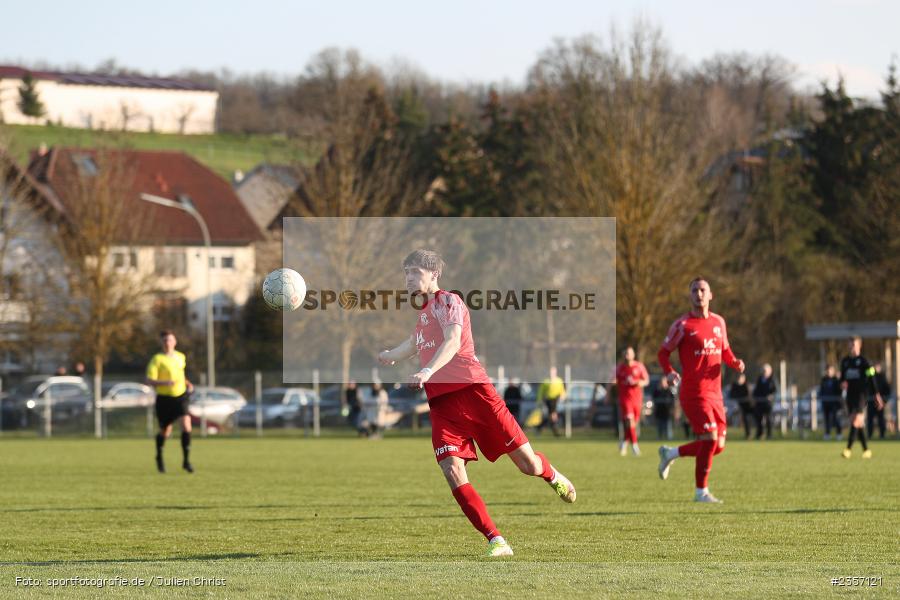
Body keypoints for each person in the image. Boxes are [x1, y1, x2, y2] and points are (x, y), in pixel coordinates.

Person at [377, 249, 576, 557]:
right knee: (452, 471)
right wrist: (390, 354)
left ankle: (551, 474)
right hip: (443, 406)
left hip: (476, 394)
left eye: (415, 273)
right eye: (406, 274)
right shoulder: (425, 311)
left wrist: (428, 370)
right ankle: (496, 539)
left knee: (528, 465)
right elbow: (415, 343)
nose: (408, 279)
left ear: (434, 275)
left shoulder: (449, 302)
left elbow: (453, 341)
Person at [656, 277, 745, 504]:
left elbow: (724, 349)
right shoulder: (683, 325)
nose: (699, 294)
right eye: (694, 290)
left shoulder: (719, 322)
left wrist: (734, 362)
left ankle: (671, 453)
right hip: (694, 392)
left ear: (711, 294)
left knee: (718, 446)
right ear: (690, 296)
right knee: (709, 437)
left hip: (715, 393)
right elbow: (663, 353)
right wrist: (669, 372)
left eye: (703, 290)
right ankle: (701, 492)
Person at [145, 330, 194, 474]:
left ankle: (186, 461)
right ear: (162, 343)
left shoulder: (181, 357)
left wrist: (187, 383)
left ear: (175, 342)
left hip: (180, 396)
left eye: (170, 340)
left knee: (186, 424)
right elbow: (149, 380)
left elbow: (180, 374)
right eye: (165, 340)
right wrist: (164, 382)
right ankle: (159, 457)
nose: (168, 343)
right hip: (164, 399)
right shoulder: (157, 359)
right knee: (166, 431)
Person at [840, 337, 883, 458]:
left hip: (861, 395)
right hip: (850, 395)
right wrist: (842, 383)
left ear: (859, 345)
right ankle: (866, 450)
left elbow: (871, 378)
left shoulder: (864, 362)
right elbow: (842, 378)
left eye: (854, 344)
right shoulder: (845, 362)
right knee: (857, 423)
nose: (851, 347)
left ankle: (848, 449)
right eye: (850, 344)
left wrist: (876, 394)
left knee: (855, 421)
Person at [612, 347, 649, 456]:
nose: (627, 355)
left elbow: (646, 380)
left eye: (629, 353)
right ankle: (635, 447)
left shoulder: (639, 366)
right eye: (626, 353)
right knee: (629, 421)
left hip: (637, 399)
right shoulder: (620, 368)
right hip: (625, 399)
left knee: (632, 424)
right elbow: (614, 379)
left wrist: (640, 383)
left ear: (633, 355)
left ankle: (624, 443)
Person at [536, 366, 565, 436]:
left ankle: (539, 427)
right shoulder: (546, 381)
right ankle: (556, 432)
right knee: (553, 416)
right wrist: (539, 400)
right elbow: (540, 391)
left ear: (555, 372)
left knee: (551, 416)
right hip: (548, 400)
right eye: (550, 372)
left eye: (553, 372)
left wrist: (562, 396)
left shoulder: (559, 380)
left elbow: (562, 390)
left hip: (556, 400)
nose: (551, 373)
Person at [752, 364, 777, 440]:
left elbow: (775, 391)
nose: (763, 372)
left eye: (765, 371)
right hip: (759, 402)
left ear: (770, 371)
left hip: (768, 403)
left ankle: (769, 435)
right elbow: (756, 390)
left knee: (768, 419)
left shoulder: (772, 380)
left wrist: (771, 396)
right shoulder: (759, 379)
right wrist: (755, 396)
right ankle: (759, 434)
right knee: (758, 419)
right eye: (762, 370)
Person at [866, 362, 889, 440]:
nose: (876, 368)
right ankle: (869, 435)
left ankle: (882, 434)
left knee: (881, 419)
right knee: (870, 420)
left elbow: (887, 390)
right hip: (871, 402)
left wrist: (884, 401)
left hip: (880, 403)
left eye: (877, 366)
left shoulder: (883, 377)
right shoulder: (870, 376)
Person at [819, 366, 843, 440]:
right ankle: (827, 434)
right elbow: (821, 390)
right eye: (828, 370)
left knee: (836, 419)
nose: (829, 372)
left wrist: (840, 380)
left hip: (835, 403)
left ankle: (839, 434)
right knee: (827, 419)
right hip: (826, 403)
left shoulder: (836, 380)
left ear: (833, 371)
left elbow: (840, 391)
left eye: (830, 370)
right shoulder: (824, 379)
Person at [652, 376, 676, 440]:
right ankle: (659, 438)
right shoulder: (657, 391)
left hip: (667, 412)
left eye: (664, 382)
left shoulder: (669, 391)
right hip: (659, 412)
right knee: (660, 426)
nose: (662, 383)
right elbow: (654, 401)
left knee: (668, 426)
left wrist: (673, 411)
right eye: (661, 382)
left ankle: (669, 439)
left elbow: (673, 401)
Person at [729, 373, 752, 439]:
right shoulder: (734, 385)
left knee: (748, 419)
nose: (739, 379)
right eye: (738, 378)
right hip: (736, 406)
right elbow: (732, 395)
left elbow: (748, 395)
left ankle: (752, 434)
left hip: (747, 406)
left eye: (741, 378)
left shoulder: (747, 385)